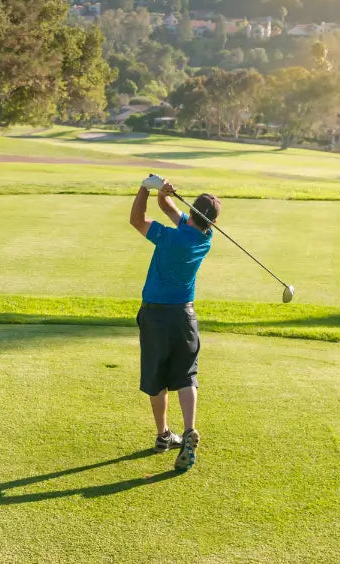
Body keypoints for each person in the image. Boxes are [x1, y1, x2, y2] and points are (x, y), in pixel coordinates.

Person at [129, 174, 220, 473]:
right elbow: (168, 208)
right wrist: (164, 194)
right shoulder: (205, 238)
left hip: (156, 315)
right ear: (211, 222)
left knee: (157, 378)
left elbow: (137, 220)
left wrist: (145, 187)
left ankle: (163, 435)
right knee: (186, 375)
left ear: (191, 211)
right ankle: (189, 429)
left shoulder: (170, 237)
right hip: (185, 317)